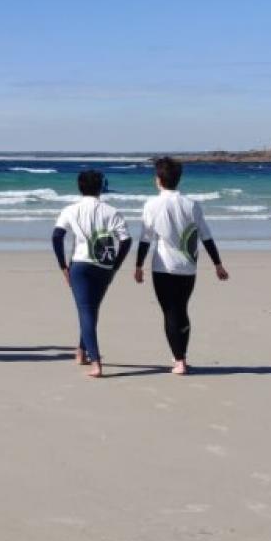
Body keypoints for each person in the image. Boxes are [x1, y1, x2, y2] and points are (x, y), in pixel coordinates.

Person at [133, 155, 230, 374]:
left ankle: (179, 361)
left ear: (159, 179)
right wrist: (218, 264)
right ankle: (182, 357)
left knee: (169, 312)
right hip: (188, 267)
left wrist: (138, 266)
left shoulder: (152, 205)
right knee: (181, 310)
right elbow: (206, 236)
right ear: (178, 179)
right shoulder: (192, 204)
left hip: (163, 268)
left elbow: (145, 239)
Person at [52, 169, 132, 378]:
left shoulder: (70, 210)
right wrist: (115, 266)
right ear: (101, 188)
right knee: (91, 310)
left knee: (86, 311)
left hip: (80, 265)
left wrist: (63, 266)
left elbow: (56, 236)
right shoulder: (112, 211)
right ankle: (81, 352)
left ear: (80, 187)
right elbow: (126, 240)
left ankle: (96, 362)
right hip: (104, 265)